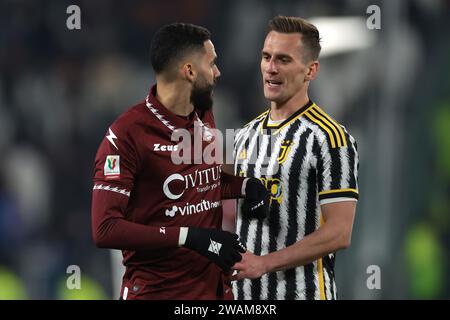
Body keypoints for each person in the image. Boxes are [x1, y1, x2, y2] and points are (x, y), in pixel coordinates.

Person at [91, 23, 268, 300]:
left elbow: (197, 183)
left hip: (213, 292)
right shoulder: (126, 136)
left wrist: (244, 187)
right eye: (212, 63)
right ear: (189, 71)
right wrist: (190, 237)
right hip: (158, 292)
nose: (218, 73)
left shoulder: (203, 114)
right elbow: (105, 229)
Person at [232, 16, 359, 300]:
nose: (271, 68)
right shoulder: (244, 136)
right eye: (266, 57)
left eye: (284, 60)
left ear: (310, 70)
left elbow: (339, 233)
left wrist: (264, 263)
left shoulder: (330, 139)